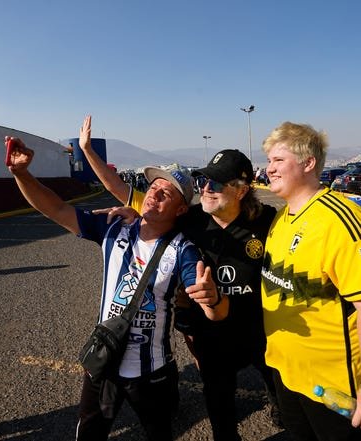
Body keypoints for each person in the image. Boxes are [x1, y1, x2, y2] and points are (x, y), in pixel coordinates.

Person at [4, 135, 228, 441]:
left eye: (167, 194)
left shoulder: (183, 250)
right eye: (153, 188)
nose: (154, 195)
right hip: (103, 361)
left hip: (153, 372)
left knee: (159, 434)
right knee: (90, 433)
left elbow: (213, 312)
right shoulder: (113, 228)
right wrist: (22, 174)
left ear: (179, 210)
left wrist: (212, 299)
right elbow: (55, 208)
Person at [78, 115, 281, 441]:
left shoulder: (268, 219)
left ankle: (277, 405)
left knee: (274, 380)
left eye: (215, 184)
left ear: (242, 190)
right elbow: (128, 194)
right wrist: (88, 152)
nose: (206, 189)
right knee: (219, 405)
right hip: (211, 329)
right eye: (204, 182)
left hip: (259, 325)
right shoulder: (193, 220)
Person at [261, 122, 361, 440]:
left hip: (330, 384)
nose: (269, 169)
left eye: (278, 160)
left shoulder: (341, 222)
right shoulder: (282, 216)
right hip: (286, 372)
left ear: (309, 163)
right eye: (268, 161)